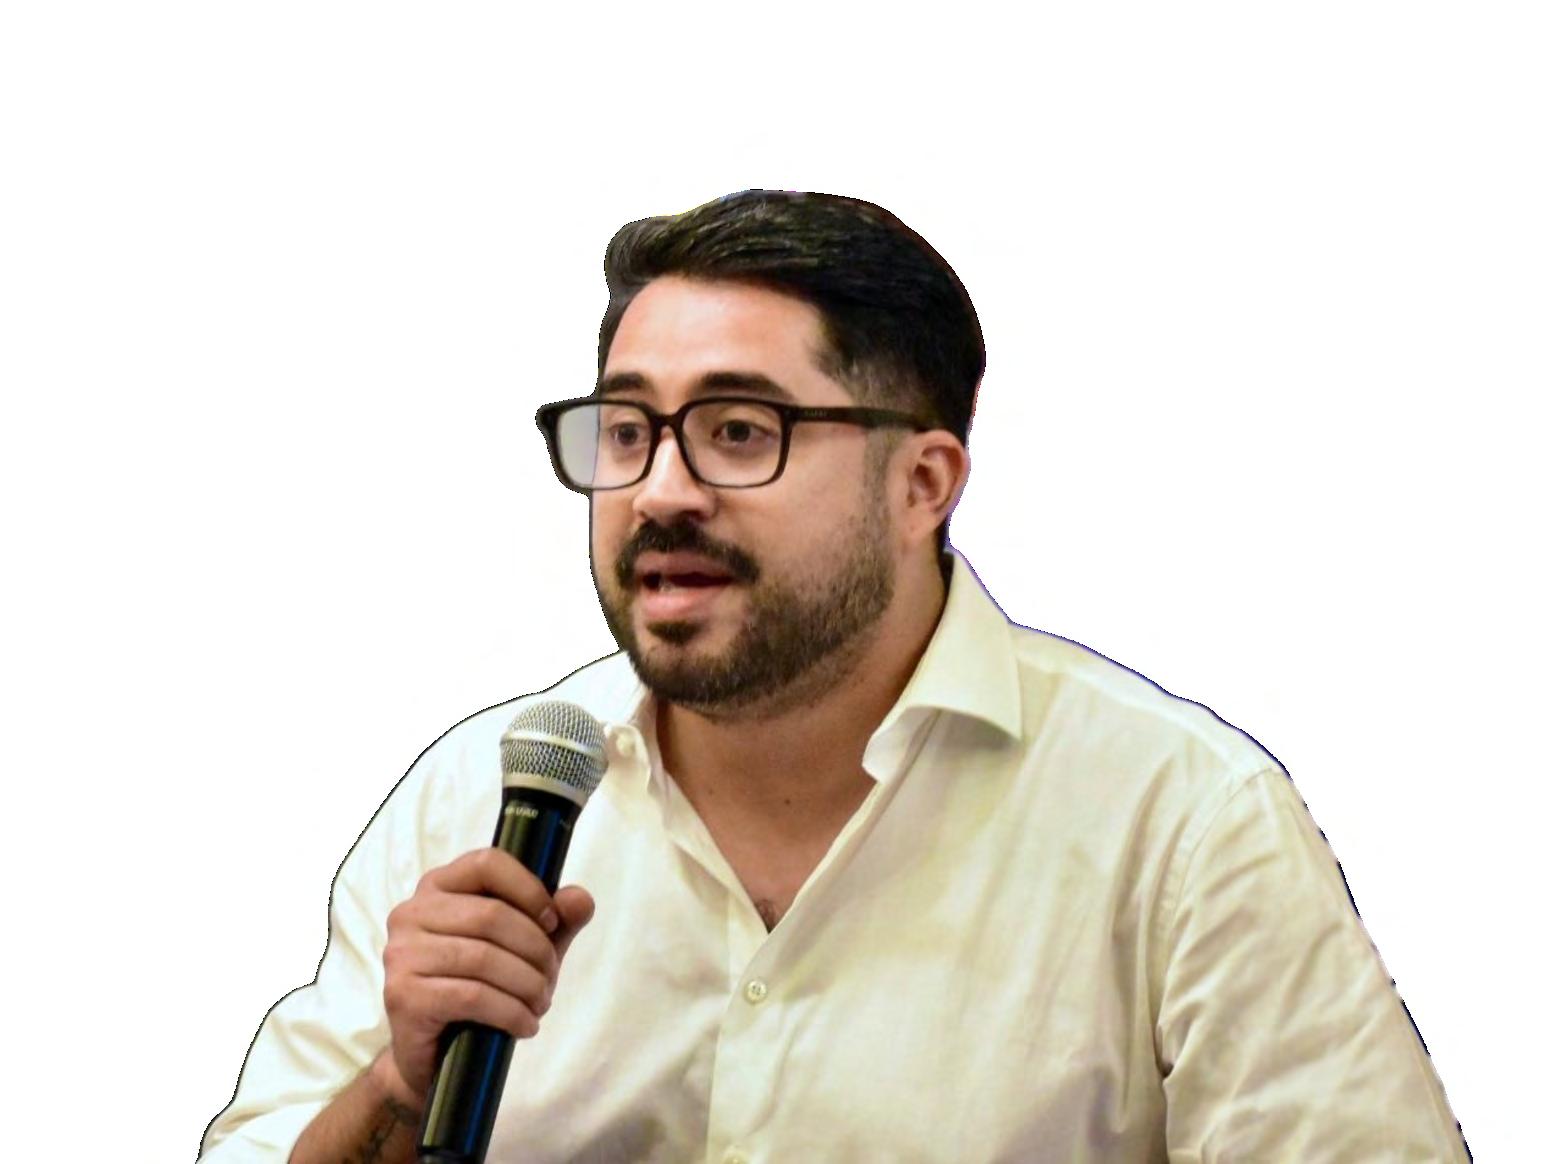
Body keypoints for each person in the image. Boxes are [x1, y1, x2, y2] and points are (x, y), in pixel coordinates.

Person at [201, 190, 1468, 1162]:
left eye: (739, 431)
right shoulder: (474, 798)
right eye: (627, 431)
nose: (661, 491)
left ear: (922, 485)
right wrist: (396, 1088)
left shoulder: (1180, 823)